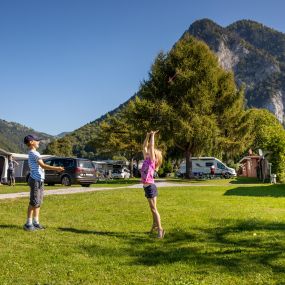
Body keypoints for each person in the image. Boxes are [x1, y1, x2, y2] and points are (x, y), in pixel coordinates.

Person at [23, 134, 64, 231]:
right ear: (31, 142)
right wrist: (57, 168)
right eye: (37, 140)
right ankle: (28, 224)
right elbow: (43, 166)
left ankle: (36, 222)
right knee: (33, 202)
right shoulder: (34, 153)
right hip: (35, 180)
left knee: (38, 202)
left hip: (39, 180)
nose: (39, 142)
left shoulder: (33, 153)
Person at [141, 131, 165, 239]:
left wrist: (153, 136)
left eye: (150, 152)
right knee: (153, 209)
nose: (147, 152)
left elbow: (151, 146)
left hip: (150, 187)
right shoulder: (146, 159)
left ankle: (160, 229)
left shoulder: (151, 160)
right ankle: (154, 225)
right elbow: (144, 146)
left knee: (154, 209)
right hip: (149, 187)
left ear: (153, 156)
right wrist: (147, 136)